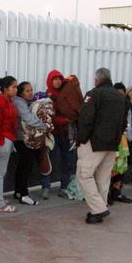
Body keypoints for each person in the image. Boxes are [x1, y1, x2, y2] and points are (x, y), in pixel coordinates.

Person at [76, 68, 129, 224]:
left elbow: (85, 119)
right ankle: (99, 208)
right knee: (103, 177)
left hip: (93, 143)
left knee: (84, 175)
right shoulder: (121, 97)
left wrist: (81, 139)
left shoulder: (93, 95)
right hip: (113, 144)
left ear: (96, 80)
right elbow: (124, 122)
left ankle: (98, 209)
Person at [46, 70, 83, 198]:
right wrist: (64, 120)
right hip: (52, 133)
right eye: (54, 79)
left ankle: (65, 186)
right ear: (50, 81)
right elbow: (48, 116)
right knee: (49, 161)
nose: (57, 81)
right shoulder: (47, 96)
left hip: (66, 133)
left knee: (67, 161)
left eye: (59, 79)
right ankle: (46, 187)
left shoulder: (67, 94)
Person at [0, 76, 19, 213]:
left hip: (6, 139)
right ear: (6, 89)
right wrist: (1, 141)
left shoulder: (8, 101)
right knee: (0, 173)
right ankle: (0, 204)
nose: (16, 89)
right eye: (13, 87)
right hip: (2, 140)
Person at [12, 81, 47, 205]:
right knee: (26, 166)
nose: (31, 92)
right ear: (20, 93)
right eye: (27, 90)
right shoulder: (19, 103)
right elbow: (28, 118)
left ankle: (18, 191)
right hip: (22, 139)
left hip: (21, 138)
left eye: (31, 90)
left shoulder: (24, 103)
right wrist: (44, 126)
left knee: (22, 165)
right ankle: (24, 194)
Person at [108, 82, 132, 205]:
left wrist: (131, 135)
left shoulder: (130, 105)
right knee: (111, 168)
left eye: (121, 93)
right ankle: (108, 193)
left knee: (121, 169)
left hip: (126, 142)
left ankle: (117, 193)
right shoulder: (109, 105)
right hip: (112, 142)